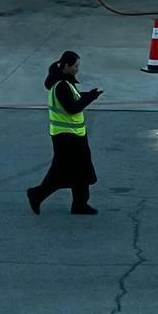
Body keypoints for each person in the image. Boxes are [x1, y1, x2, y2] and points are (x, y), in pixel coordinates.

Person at [27, 51, 102, 216]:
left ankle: (80, 204)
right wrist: (90, 98)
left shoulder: (64, 83)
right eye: (75, 66)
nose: (77, 69)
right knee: (61, 171)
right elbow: (72, 107)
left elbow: (73, 100)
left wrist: (88, 95)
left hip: (73, 134)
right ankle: (37, 194)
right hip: (66, 136)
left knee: (81, 170)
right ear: (66, 66)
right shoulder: (61, 85)